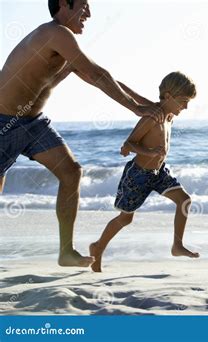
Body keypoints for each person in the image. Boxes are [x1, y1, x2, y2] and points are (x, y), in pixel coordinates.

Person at [0, 0, 163, 267]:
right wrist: (136, 109)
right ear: (64, 4)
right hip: (3, 121)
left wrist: (147, 106)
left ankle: (66, 252)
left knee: (71, 172)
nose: (89, 13)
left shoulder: (66, 44)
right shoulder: (54, 33)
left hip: (33, 124)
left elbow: (104, 77)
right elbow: (95, 74)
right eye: (84, 5)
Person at [89, 72, 199, 272]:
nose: (185, 107)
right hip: (138, 174)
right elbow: (128, 145)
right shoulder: (151, 119)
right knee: (125, 218)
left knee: (184, 200)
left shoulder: (168, 115)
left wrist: (123, 86)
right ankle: (97, 247)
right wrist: (148, 151)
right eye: (183, 101)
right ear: (168, 96)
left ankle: (177, 245)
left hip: (159, 173)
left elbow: (142, 99)